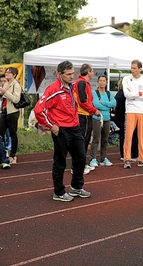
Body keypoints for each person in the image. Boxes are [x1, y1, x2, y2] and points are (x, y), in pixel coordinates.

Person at [34, 60, 91, 202]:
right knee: (60, 161)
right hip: (61, 130)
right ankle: (59, 192)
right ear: (60, 74)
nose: (72, 77)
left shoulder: (72, 87)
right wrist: (50, 125)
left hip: (75, 128)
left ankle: (76, 187)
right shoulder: (53, 90)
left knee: (81, 157)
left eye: (73, 73)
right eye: (69, 74)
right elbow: (38, 110)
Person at [122, 59, 143, 168]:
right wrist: (139, 94)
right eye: (131, 68)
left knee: (142, 136)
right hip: (130, 110)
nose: (132, 70)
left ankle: (142, 159)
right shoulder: (126, 79)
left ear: (140, 69)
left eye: (134, 68)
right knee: (128, 136)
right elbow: (126, 94)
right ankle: (126, 158)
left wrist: (134, 95)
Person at [72, 64, 101, 174]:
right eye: (92, 71)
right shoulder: (81, 83)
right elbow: (83, 101)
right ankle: (77, 166)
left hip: (85, 114)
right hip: (82, 114)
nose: (93, 73)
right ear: (88, 72)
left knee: (85, 140)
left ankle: (81, 164)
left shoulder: (83, 83)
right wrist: (94, 110)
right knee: (82, 140)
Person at [89, 75, 116, 167]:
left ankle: (103, 158)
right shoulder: (94, 93)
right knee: (96, 139)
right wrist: (108, 105)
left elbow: (114, 103)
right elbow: (96, 105)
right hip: (97, 118)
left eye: (104, 81)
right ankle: (93, 158)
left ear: (106, 82)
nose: (102, 82)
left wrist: (104, 103)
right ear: (98, 82)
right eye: (100, 80)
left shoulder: (109, 93)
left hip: (107, 119)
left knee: (105, 139)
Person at [0, 67, 22, 164]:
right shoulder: (5, 83)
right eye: (6, 72)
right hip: (4, 111)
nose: (7, 74)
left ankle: (13, 155)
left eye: (9, 72)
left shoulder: (16, 85)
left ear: (14, 75)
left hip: (12, 111)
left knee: (13, 133)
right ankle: (4, 154)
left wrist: (5, 92)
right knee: (1, 133)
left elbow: (16, 99)